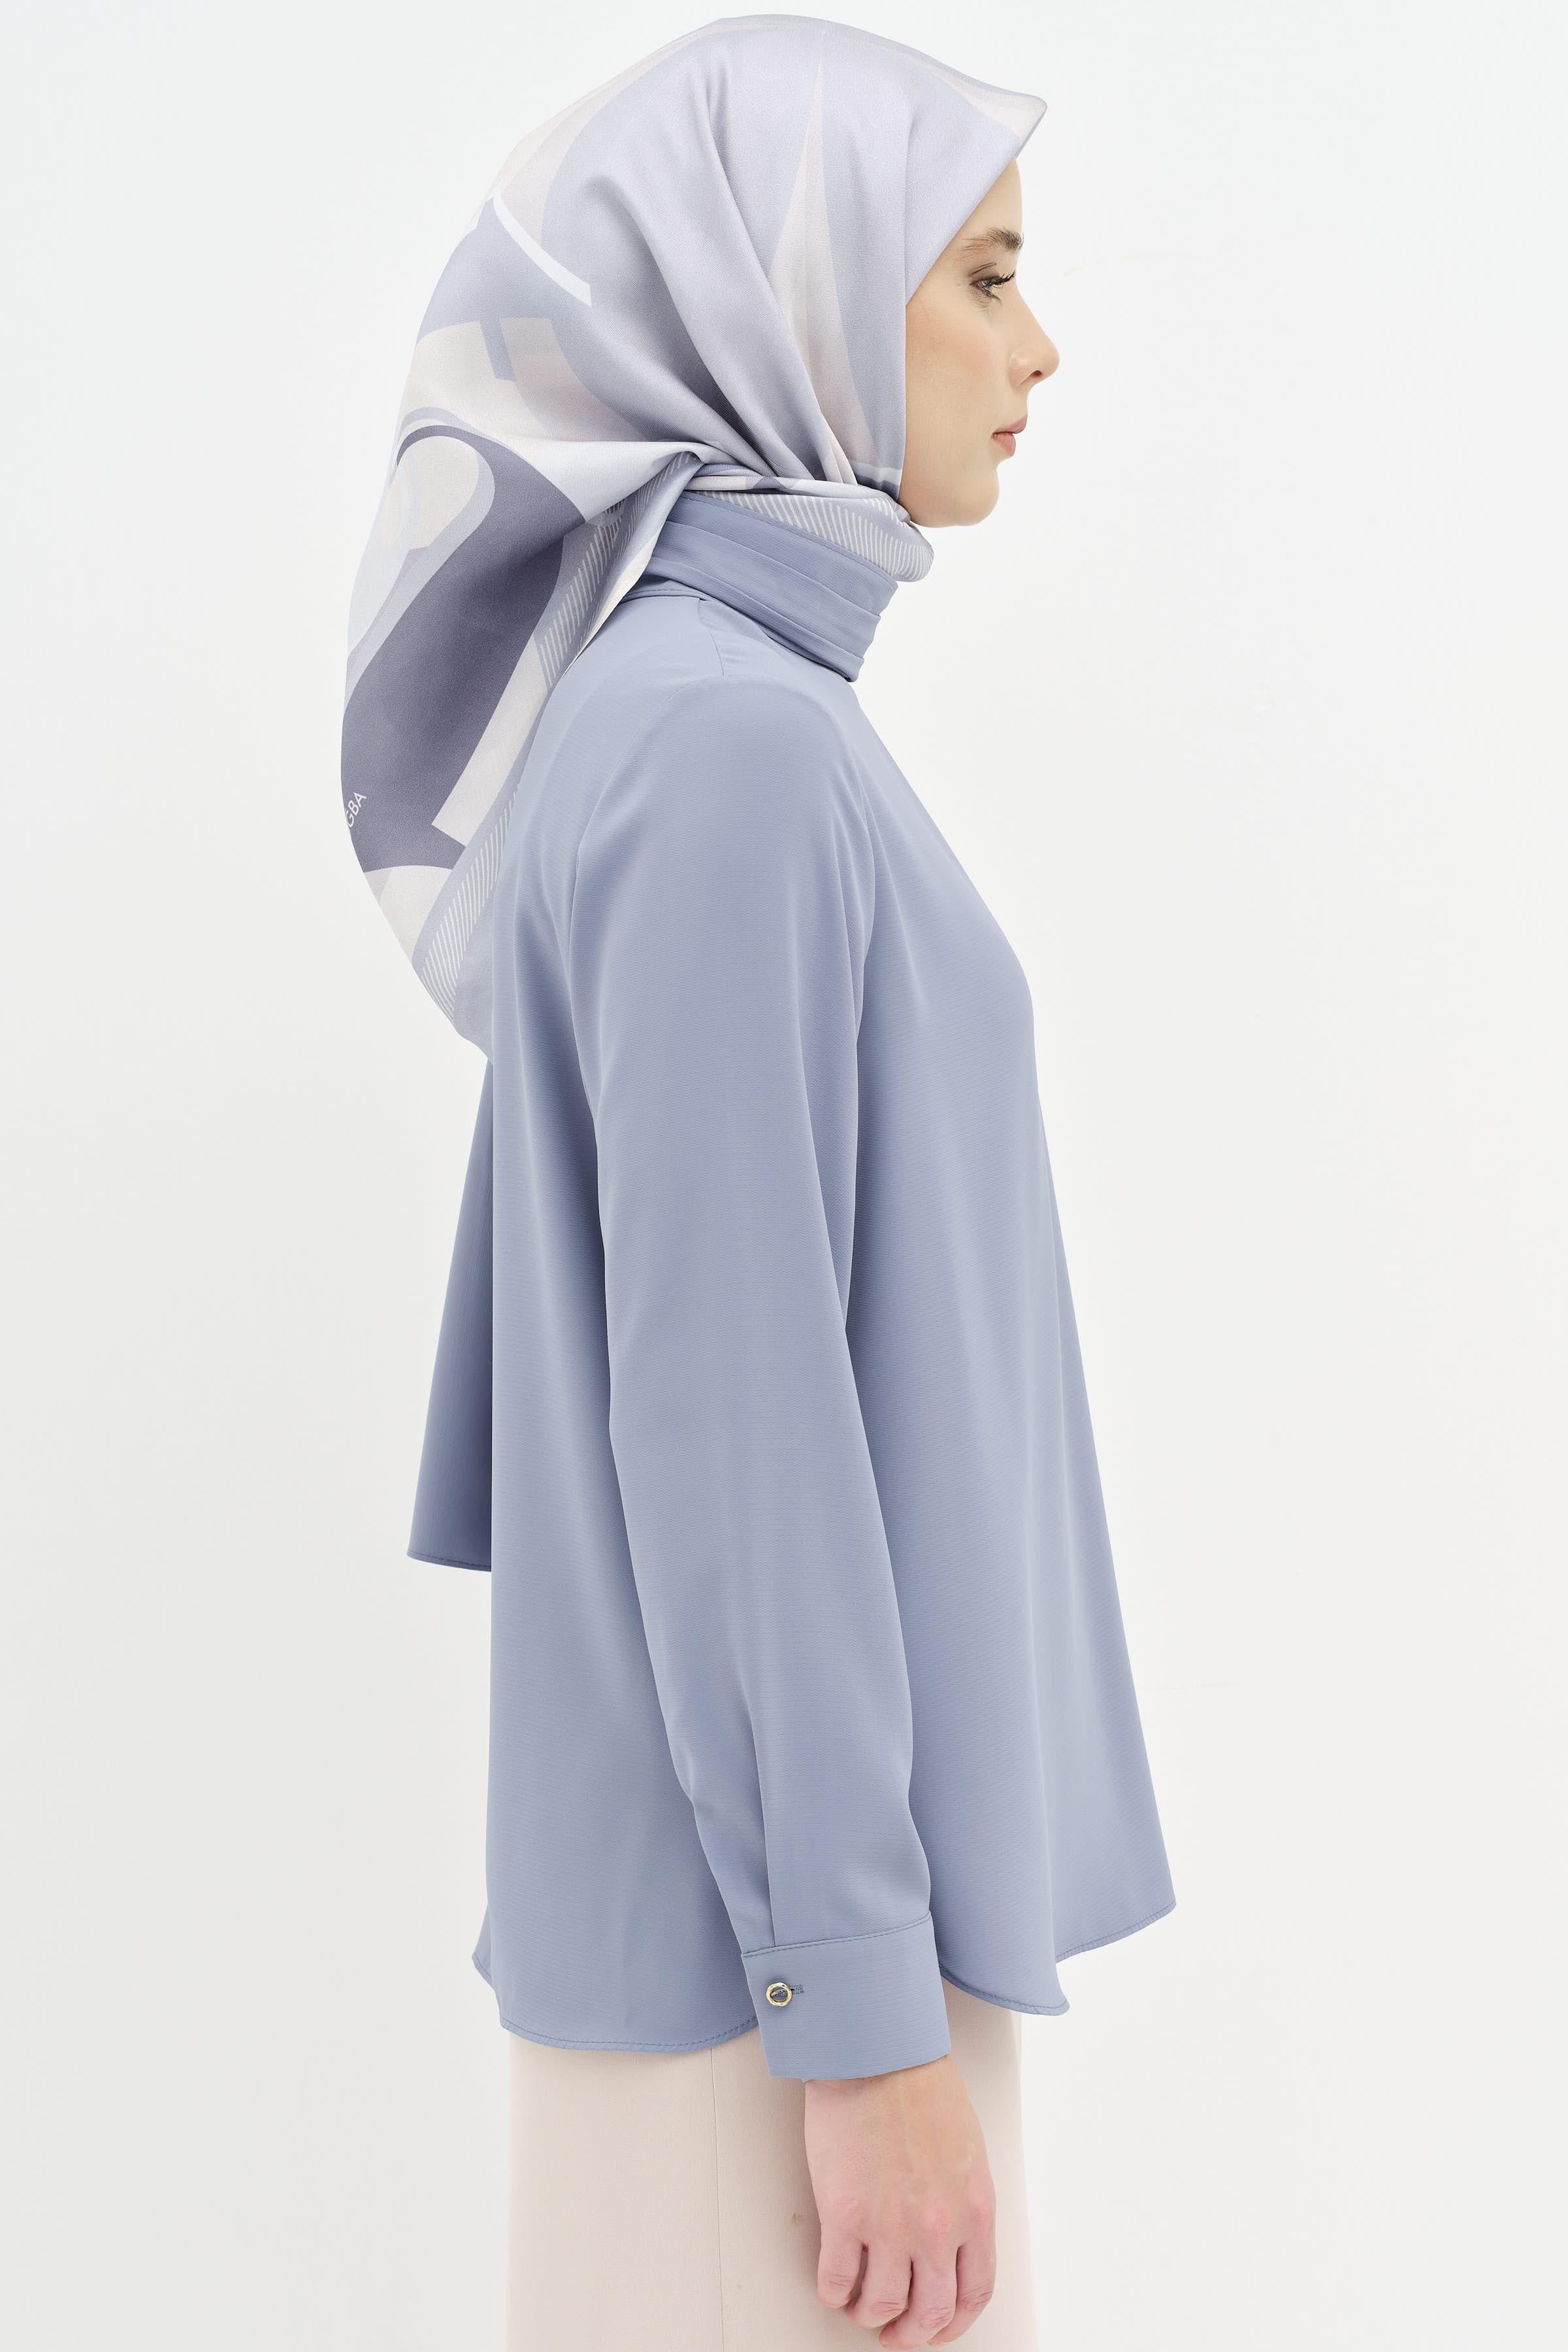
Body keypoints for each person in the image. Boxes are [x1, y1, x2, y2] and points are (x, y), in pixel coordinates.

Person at [339, 17, 1176, 2347]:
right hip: (778, 2004)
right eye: (983, 277)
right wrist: (859, 2010)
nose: (1038, 346)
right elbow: (730, 1422)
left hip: (791, 1957)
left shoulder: (713, 714)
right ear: (775, 297)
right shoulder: (725, 746)